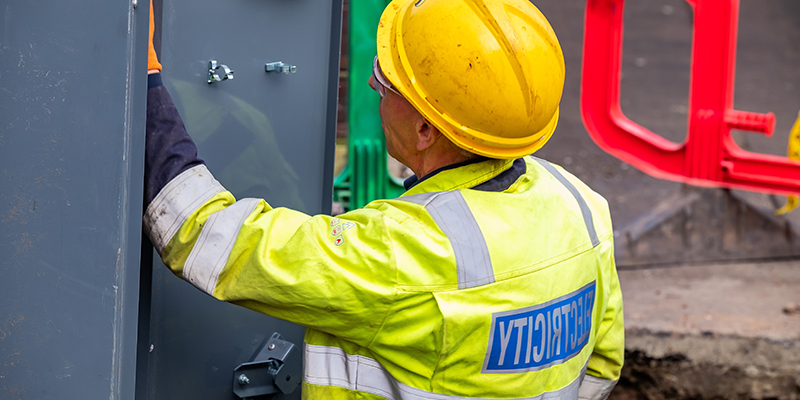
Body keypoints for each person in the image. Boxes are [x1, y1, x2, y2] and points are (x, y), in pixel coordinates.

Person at [143, 0, 624, 398]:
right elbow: (600, 370)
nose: (374, 85)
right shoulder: (580, 206)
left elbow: (202, 233)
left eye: (386, 79)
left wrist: (144, 82)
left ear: (424, 129)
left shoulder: (400, 253)